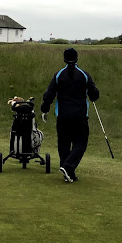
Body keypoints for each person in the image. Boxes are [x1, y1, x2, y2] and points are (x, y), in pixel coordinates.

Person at [41, 48, 99, 183]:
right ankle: (68, 168)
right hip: (80, 116)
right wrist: (92, 95)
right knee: (80, 143)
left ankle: (68, 171)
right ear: (77, 58)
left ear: (64, 59)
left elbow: (49, 94)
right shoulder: (84, 75)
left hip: (62, 116)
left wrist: (45, 109)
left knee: (64, 144)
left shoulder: (59, 75)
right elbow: (94, 94)